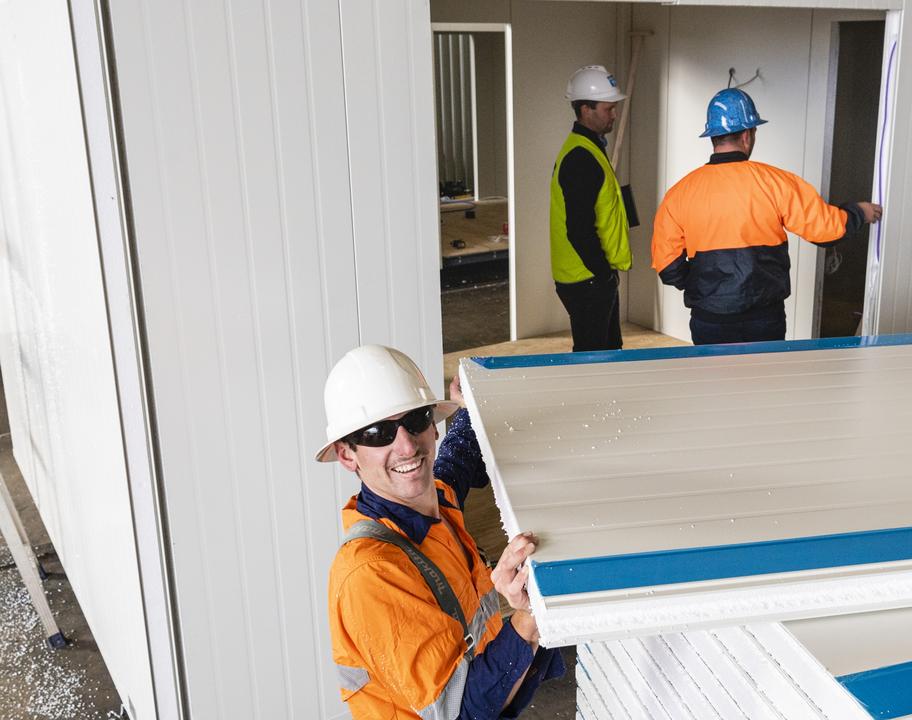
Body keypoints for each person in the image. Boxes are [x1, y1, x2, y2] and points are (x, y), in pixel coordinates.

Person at [318, 345, 562, 719]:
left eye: (415, 419)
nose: (406, 445)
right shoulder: (370, 573)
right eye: (377, 432)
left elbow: (455, 462)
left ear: (432, 425)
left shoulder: (436, 504)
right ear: (347, 454)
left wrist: (469, 408)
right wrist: (530, 616)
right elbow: (459, 711)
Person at [651, 88, 883, 345]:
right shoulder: (777, 182)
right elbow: (826, 231)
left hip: (710, 319)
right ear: (748, 135)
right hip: (763, 318)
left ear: (713, 137)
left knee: (715, 385)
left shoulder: (679, 193)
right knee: (763, 383)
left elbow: (668, 267)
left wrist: (706, 287)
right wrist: (860, 212)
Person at [550, 64, 632, 352]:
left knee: (607, 353)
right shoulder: (580, 158)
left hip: (590, 277)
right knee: (592, 360)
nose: (614, 114)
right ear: (586, 109)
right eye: (608, 108)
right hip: (586, 279)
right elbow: (579, 229)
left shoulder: (588, 149)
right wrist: (603, 274)